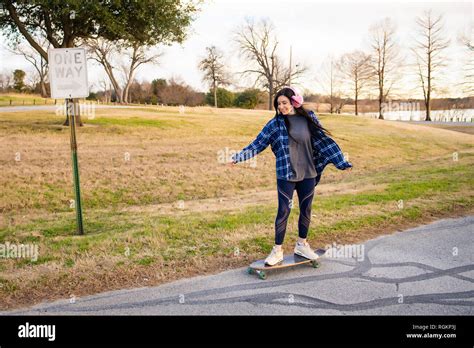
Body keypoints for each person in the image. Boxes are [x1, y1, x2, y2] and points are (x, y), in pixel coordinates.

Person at [227, 86, 352, 266]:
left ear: (294, 102)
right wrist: (238, 157)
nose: (281, 107)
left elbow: (324, 142)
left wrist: (341, 162)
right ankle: (277, 250)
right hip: (286, 173)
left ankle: (302, 245)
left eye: (284, 103)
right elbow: (258, 143)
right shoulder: (274, 124)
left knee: (306, 209)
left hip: (308, 172)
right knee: (283, 211)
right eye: (278, 104)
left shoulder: (308, 118)